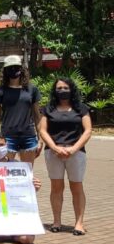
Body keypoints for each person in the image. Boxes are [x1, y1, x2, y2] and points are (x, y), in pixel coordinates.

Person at [38, 77, 92, 235]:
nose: (62, 91)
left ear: (72, 89)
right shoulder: (48, 108)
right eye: (59, 88)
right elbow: (42, 130)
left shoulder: (81, 108)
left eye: (65, 88)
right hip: (53, 153)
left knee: (76, 187)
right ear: (54, 91)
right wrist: (54, 147)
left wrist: (74, 149)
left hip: (76, 153)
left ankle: (79, 223)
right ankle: (56, 221)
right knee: (56, 187)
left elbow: (88, 130)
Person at [0, 55, 42, 163]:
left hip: (28, 135)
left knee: (27, 173)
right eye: (10, 67)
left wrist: (40, 138)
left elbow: (37, 115)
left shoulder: (32, 90)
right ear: (5, 70)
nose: (13, 69)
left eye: (16, 67)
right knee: (6, 172)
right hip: (8, 136)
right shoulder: (0, 91)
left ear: (21, 68)